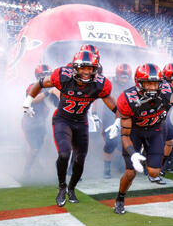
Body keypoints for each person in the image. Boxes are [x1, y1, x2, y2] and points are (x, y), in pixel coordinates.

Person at [22, 51, 119, 207]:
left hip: (81, 122)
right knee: (64, 152)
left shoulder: (100, 83)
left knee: (80, 159)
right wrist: (28, 101)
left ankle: (72, 188)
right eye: (83, 68)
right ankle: (62, 186)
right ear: (75, 68)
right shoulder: (63, 76)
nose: (86, 72)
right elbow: (40, 83)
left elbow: (113, 104)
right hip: (63, 120)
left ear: (95, 69)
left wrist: (120, 120)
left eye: (90, 68)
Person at [113, 63, 173, 214]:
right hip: (135, 132)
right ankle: (120, 198)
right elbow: (125, 135)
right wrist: (132, 153)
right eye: (148, 83)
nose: (152, 88)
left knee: (154, 172)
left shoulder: (169, 92)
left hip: (155, 130)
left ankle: (148, 155)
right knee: (130, 173)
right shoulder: (127, 98)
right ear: (139, 83)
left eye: (155, 83)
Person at [22, 64, 58, 178]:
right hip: (30, 123)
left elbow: (58, 104)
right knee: (35, 148)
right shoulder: (33, 86)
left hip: (42, 122)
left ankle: (41, 166)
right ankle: (26, 170)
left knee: (44, 145)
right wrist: (49, 92)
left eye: (48, 74)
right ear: (38, 76)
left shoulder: (52, 88)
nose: (47, 77)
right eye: (44, 75)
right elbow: (34, 100)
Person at [101, 63, 133, 179]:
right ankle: (106, 168)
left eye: (126, 77)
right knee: (111, 143)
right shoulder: (110, 84)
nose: (124, 79)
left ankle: (118, 164)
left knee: (122, 144)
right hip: (110, 116)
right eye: (122, 76)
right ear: (117, 75)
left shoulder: (132, 85)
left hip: (125, 117)